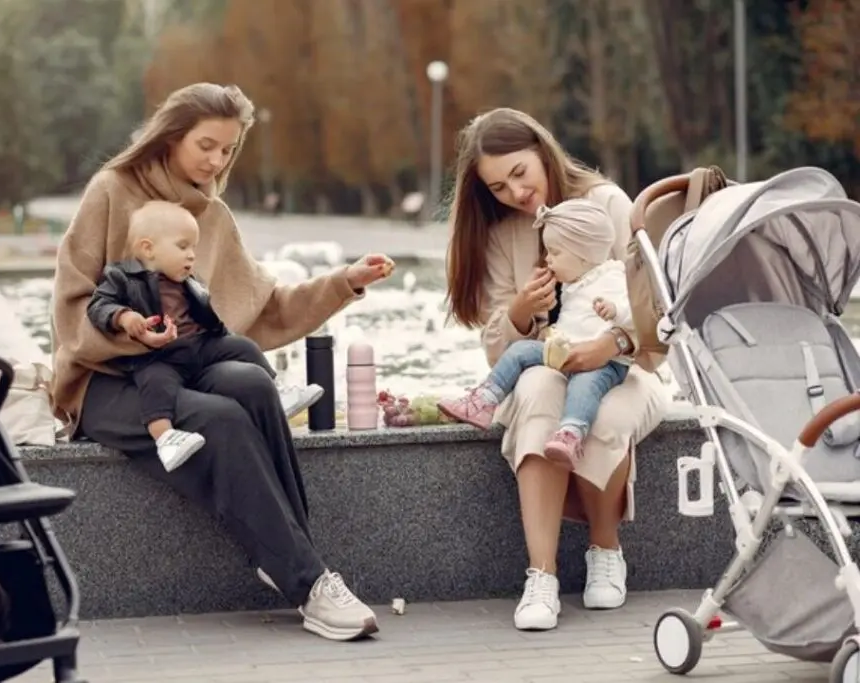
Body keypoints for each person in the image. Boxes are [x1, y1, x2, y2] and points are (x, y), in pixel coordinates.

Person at [50, 82, 396, 641]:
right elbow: (71, 311)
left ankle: (288, 560)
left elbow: (262, 308)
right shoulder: (111, 192)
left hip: (188, 363)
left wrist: (344, 282)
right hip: (109, 381)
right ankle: (308, 582)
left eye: (228, 150)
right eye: (205, 145)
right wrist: (140, 335)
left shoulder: (212, 216)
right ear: (170, 137)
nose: (216, 161)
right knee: (221, 419)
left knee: (252, 385)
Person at [444, 108, 668, 632]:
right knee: (541, 387)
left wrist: (612, 341)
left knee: (607, 416)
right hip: (548, 365)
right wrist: (521, 311)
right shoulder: (503, 234)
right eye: (498, 187)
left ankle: (605, 550)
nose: (515, 193)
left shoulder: (609, 204)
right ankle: (540, 575)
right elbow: (499, 349)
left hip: (631, 368)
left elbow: (659, 312)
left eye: (520, 173)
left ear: (543, 151)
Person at [86, 201, 322, 471]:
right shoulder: (122, 276)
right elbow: (98, 305)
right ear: (148, 248)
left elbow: (205, 314)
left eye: (194, 248)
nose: (191, 256)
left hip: (200, 345)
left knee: (243, 346)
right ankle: (165, 438)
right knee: (155, 384)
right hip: (160, 355)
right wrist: (125, 318)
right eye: (182, 246)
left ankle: (276, 391)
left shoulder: (187, 280)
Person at [438, 198, 633, 471]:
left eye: (555, 252)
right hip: (567, 351)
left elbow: (635, 311)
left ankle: (571, 433)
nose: (548, 259)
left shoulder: (611, 275)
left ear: (584, 254)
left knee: (584, 385)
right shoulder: (574, 281)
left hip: (604, 363)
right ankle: (483, 400)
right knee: (519, 351)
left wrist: (614, 311)